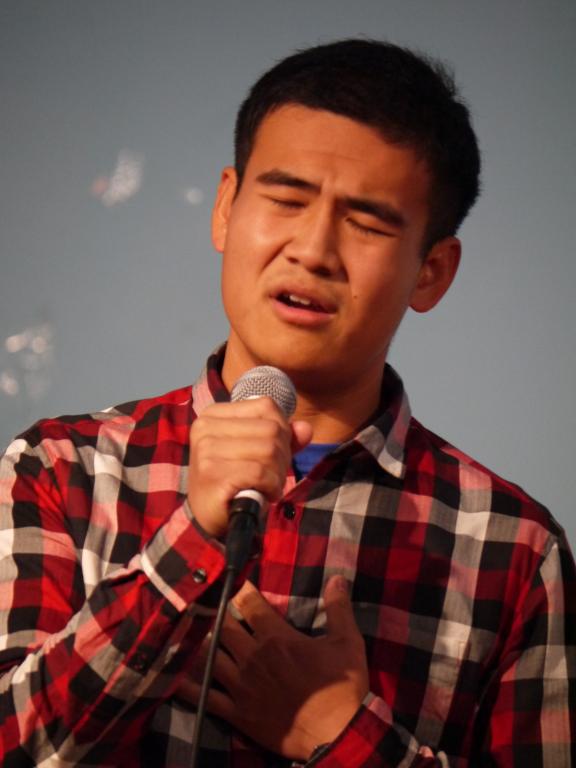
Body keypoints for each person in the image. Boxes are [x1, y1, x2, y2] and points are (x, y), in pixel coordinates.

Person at [0, 38, 574, 767]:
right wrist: (191, 542)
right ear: (225, 208)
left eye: (366, 222)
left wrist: (343, 737)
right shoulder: (61, 469)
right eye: (287, 199)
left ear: (431, 271)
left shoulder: (513, 549)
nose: (313, 249)